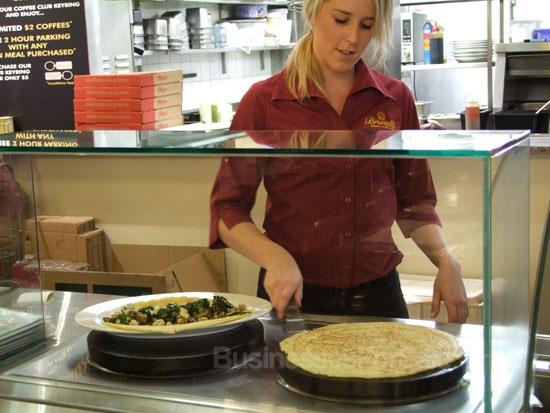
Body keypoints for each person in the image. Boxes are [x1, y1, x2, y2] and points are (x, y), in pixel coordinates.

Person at [210, 0, 468, 323]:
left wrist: (446, 260)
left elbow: (414, 203)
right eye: (341, 20)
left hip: (378, 298)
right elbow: (227, 209)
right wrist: (275, 258)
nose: (353, 39)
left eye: (366, 25)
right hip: (294, 296)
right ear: (313, 13)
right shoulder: (264, 101)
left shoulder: (395, 98)